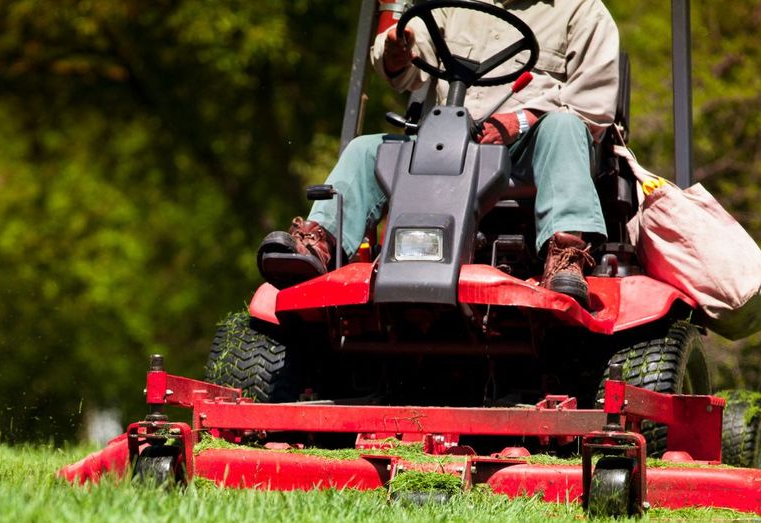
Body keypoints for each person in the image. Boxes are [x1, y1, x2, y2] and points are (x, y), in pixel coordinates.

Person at [258, 0, 620, 307]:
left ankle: (567, 256)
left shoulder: (583, 10)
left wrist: (520, 121)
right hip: (451, 140)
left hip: (531, 148)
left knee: (565, 127)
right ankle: (319, 243)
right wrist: (399, 51)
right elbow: (408, 67)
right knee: (367, 149)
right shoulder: (453, 5)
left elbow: (593, 106)